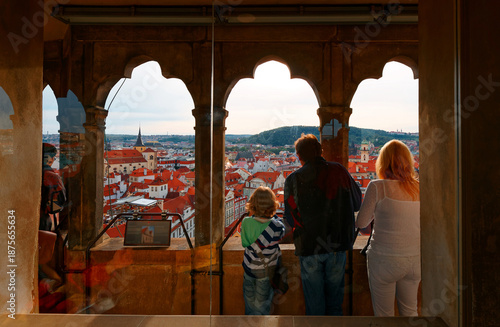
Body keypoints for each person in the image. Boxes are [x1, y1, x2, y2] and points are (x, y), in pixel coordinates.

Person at [284, 134, 361, 316]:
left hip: (309, 247)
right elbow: (357, 203)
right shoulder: (340, 171)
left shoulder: (293, 179)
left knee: (315, 306)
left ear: (299, 155)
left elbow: (290, 216)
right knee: (335, 305)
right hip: (338, 244)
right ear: (320, 151)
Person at [355, 140, 420, 317]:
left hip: (384, 259)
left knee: (384, 316)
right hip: (414, 259)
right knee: (410, 312)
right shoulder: (419, 188)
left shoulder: (378, 186)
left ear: (382, 163)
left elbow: (361, 223)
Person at [241, 186, 285, 315]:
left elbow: (244, 243)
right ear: (272, 204)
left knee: (249, 304)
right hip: (265, 271)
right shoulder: (277, 226)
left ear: (253, 203)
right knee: (262, 306)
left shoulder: (246, 222)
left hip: (249, 269)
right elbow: (281, 237)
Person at [40, 143, 66, 231]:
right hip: (42, 218)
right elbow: (60, 200)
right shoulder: (52, 177)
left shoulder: (24, 174)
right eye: (53, 157)